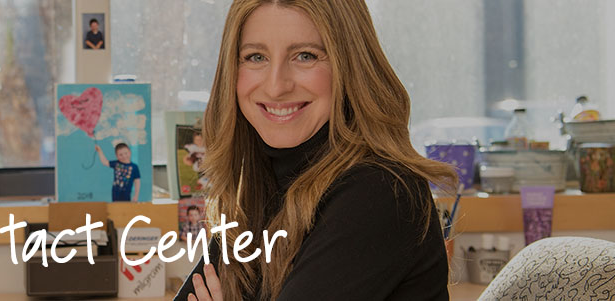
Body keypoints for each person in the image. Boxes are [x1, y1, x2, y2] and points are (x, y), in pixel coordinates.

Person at [176, 1, 458, 300]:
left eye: (305, 56)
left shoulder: (381, 190)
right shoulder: (260, 186)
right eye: (256, 56)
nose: (275, 87)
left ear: (349, 65)